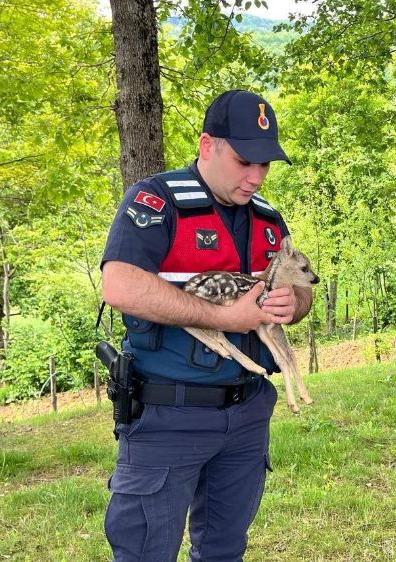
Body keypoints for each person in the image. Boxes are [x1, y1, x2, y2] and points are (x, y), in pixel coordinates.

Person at [100, 89, 311, 562]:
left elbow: (302, 294)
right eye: (244, 161)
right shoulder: (158, 201)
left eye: (265, 165)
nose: (256, 176)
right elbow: (119, 285)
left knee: (223, 549)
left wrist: (290, 302)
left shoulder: (269, 221)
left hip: (247, 413)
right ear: (207, 146)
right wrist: (222, 317)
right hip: (169, 414)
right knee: (146, 551)